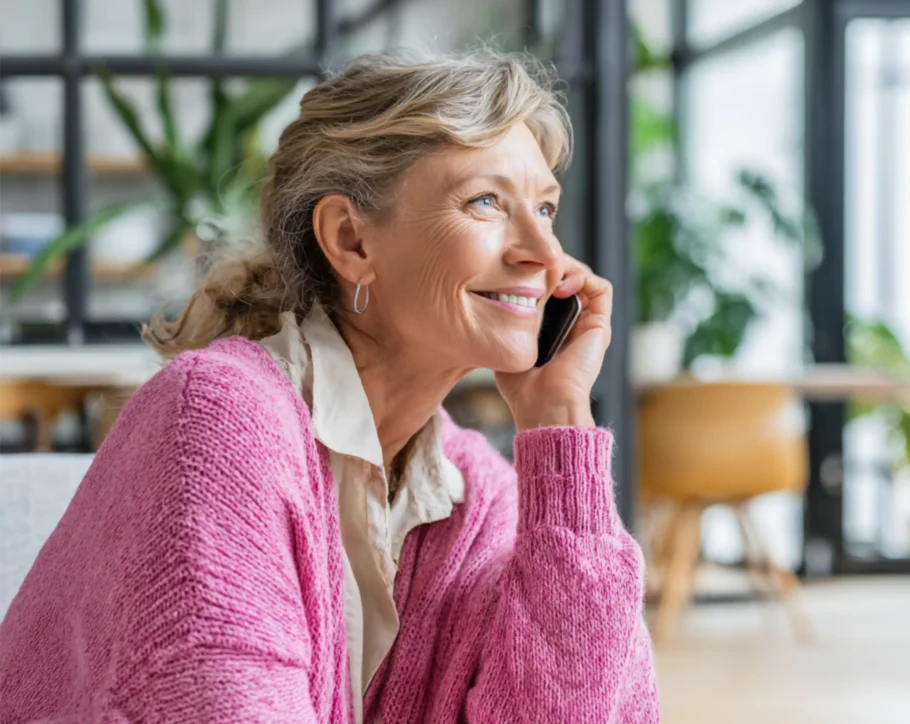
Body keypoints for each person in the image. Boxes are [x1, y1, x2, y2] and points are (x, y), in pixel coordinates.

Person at [0, 49, 658, 722]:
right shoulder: (217, 420)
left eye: (546, 209)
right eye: (486, 202)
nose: (546, 257)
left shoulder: (478, 497)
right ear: (350, 241)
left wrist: (560, 424)